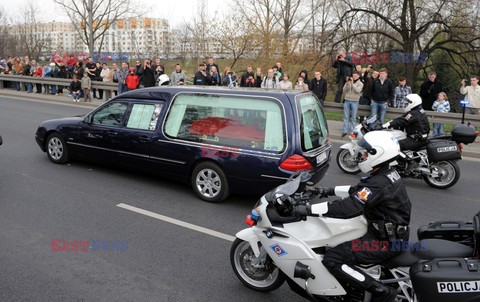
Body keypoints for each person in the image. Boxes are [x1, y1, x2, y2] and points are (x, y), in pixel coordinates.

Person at [292, 131, 410, 302]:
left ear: (378, 153)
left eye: (365, 153)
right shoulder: (385, 174)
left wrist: (308, 209)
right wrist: (326, 191)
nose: (361, 156)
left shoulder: (379, 182)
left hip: (385, 242)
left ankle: (380, 290)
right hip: (389, 233)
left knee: (333, 258)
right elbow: (358, 191)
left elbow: (348, 208)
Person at [342, 71, 364, 137]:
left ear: (358, 76)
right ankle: (345, 131)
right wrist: (347, 84)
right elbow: (344, 90)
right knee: (346, 117)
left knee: (353, 117)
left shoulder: (360, 83)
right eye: (353, 75)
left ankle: (353, 131)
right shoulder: (349, 82)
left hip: (355, 101)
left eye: (355, 76)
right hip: (347, 100)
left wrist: (352, 84)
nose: (354, 77)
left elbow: (358, 91)